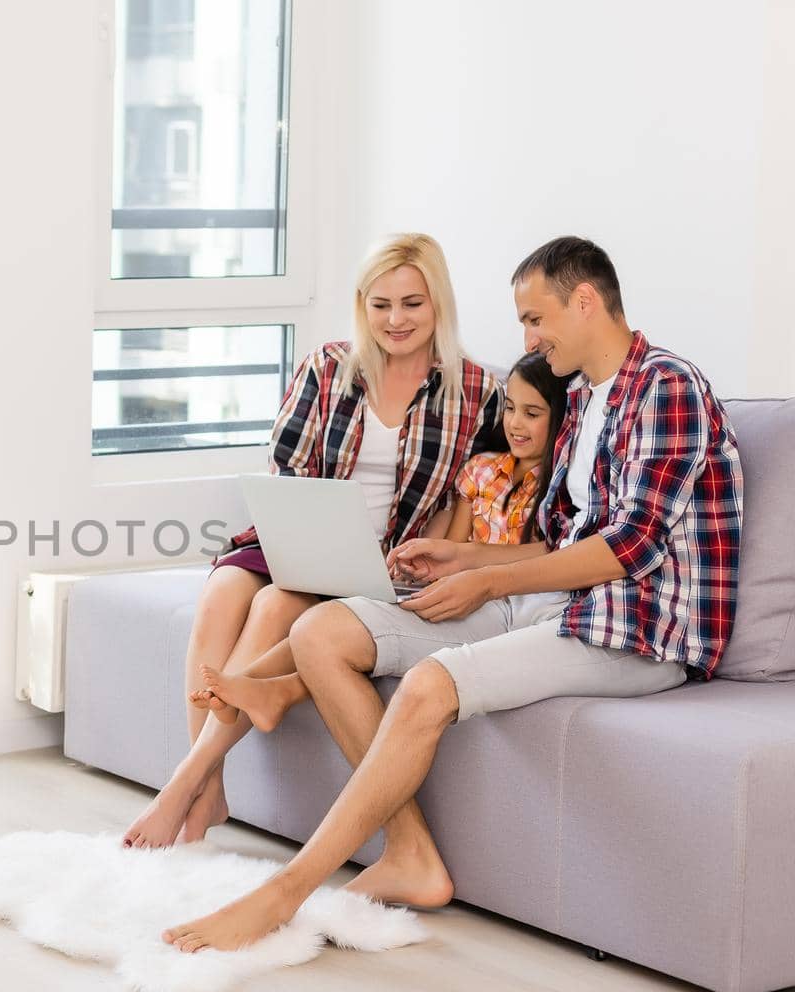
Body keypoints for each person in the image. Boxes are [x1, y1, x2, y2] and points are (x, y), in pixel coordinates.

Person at [160, 236, 744, 953]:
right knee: (322, 634)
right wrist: (464, 556)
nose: (527, 338)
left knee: (428, 684)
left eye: (536, 319)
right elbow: (560, 544)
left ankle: (284, 893)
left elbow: (629, 549)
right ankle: (408, 851)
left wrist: (489, 578)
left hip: (640, 630)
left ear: (585, 301)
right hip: (562, 602)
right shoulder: (588, 399)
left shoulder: (667, 387)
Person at [123, 233, 504, 849]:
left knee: (275, 607)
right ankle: (211, 786)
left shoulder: (479, 393)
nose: (395, 320)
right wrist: (307, 541)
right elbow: (288, 470)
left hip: (384, 563)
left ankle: (184, 781)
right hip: (299, 537)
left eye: (411, 303)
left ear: (438, 302)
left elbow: (469, 499)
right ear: (362, 305)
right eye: (380, 305)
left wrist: (409, 561)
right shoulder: (328, 368)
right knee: (224, 589)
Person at [191, 351, 574, 732]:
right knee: (330, 619)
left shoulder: (560, 484)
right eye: (510, 409)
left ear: (560, 420)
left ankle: (261, 689)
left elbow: (548, 557)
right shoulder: (481, 471)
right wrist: (428, 562)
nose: (515, 423)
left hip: (493, 603)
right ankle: (248, 683)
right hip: (451, 589)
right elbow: (454, 548)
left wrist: (465, 564)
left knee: (331, 628)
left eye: (532, 413)